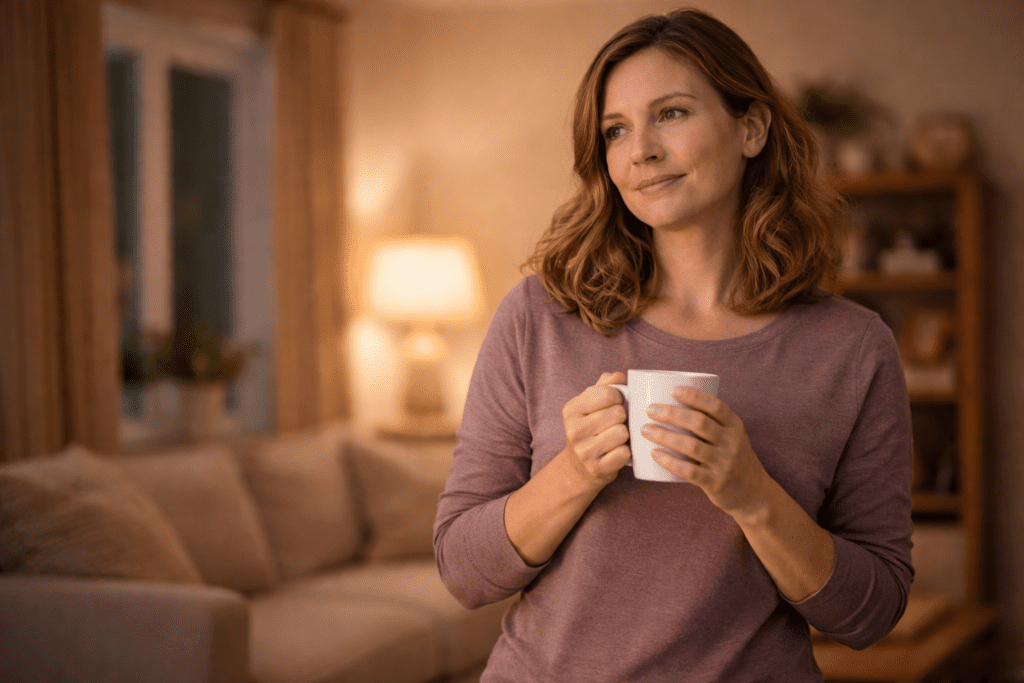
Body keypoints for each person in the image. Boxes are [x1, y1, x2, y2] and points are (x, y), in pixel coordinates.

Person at [433, 8, 913, 682]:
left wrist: (751, 493)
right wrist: (574, 472)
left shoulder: (852, 347)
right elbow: (462, 568)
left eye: (673, 114)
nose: (641, 151)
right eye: (616, 130)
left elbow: (873, 611)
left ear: (751, 128)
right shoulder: (539, 316)